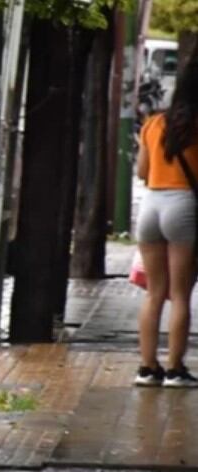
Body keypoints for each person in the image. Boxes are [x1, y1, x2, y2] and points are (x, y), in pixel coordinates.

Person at [135, 56, 198, 388]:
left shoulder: (154, 124)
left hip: (151, 207)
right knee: (181, 294)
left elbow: (142, 172)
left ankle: (147, 368)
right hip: (183, 205)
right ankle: (175, 369)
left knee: (153, 293)